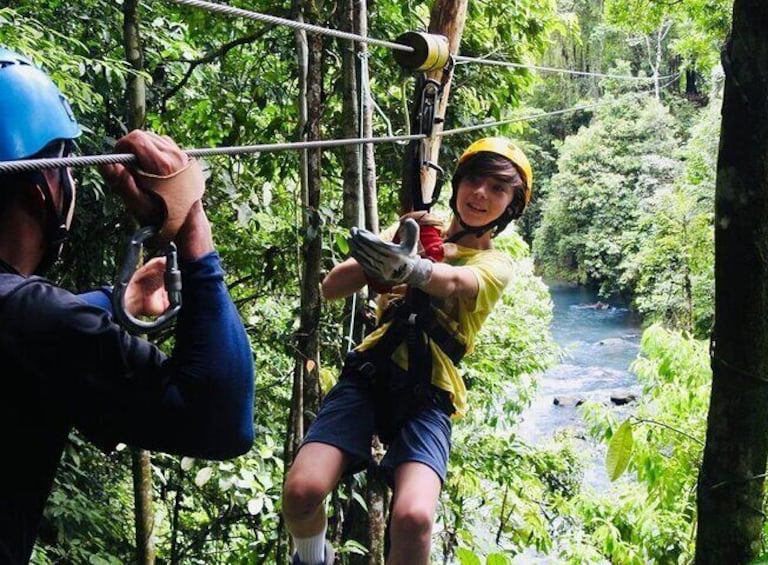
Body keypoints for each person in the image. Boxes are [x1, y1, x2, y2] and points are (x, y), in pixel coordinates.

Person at [0, 48, 255, 563]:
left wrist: (114, 305)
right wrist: (192, 228)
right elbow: (223, 420)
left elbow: (27, 329)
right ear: (42, 190)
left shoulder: (34, 324)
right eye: (63, 165)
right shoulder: (39, 324)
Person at [282, 137, 533, 564]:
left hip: (429, 392)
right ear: (457, 183)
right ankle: (311, 557)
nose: (480, 194)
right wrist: (386, 251)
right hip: (370, 374)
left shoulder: (494, 265)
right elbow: (331, 287)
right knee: (302, 492)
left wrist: (411, 266)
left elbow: (454, 282)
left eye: (497, 189)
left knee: (414, 519)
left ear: (510, 207)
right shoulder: (413, 232)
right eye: (474, 180)